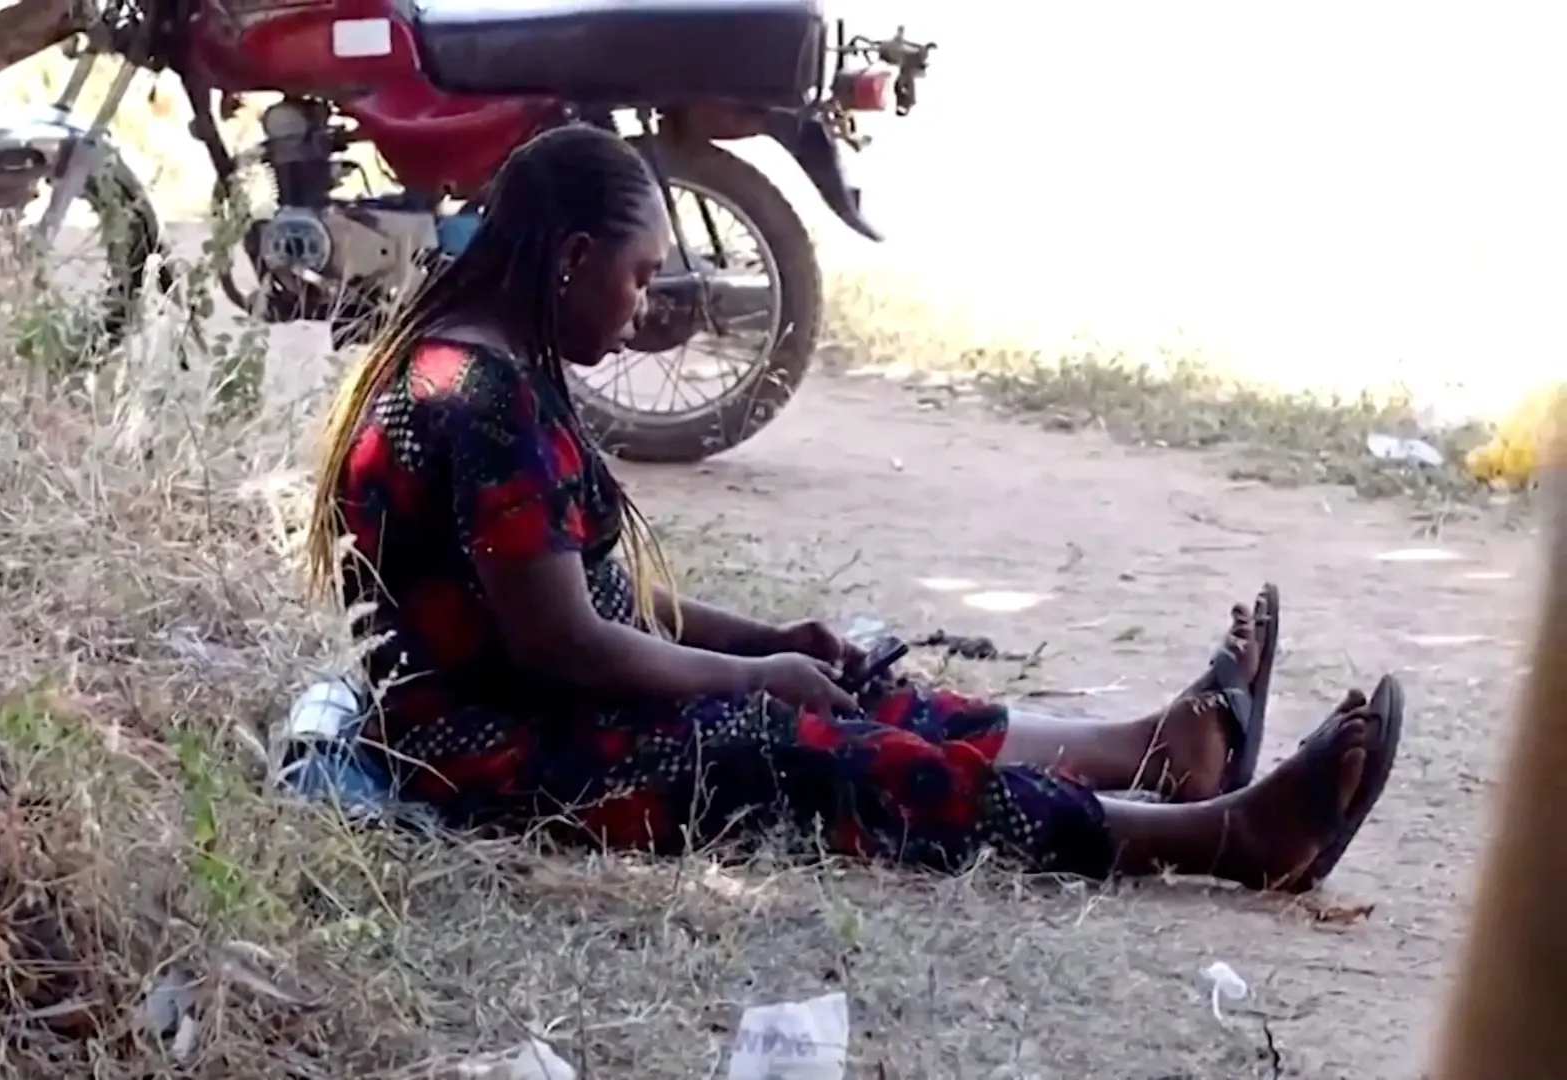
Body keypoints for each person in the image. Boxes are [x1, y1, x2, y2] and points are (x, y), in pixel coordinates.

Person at [304, 123, 1404, 889]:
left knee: (832, 681)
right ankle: (1216, 840)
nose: (645, 307)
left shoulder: (486, 369)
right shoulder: (479, 400)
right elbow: (565, 646)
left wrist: (770, 641)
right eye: (639, 276)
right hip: (491, 759)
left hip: (533, 713)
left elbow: (593, 600)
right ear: (574, 257)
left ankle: (1154, 754)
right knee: (796, 743)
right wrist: (755, 678)